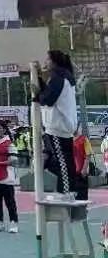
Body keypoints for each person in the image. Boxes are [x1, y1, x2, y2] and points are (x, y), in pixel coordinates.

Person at [35, 51, 77, 195]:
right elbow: (49, 93)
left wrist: (37, 97)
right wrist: (39, 80)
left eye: (47, 59)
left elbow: (49, 99)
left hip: (58, 127)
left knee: (62, 164)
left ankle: (66, 192)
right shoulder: (64, 76)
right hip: (63, 126)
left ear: (54, 61)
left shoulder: (58, 77)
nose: (45, 62)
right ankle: (67, 189)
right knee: (63, 161)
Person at [0, 120, 19, 233]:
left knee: (10, 202)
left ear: (4, 130)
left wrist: (0, 163)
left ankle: (14, 223)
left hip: (7, 177)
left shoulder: (9, 143)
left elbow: (14, 160)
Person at [73, 124, 92, 201]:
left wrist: (84, 169)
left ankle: (82, 207)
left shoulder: (84, 139)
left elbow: (88, 155)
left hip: (81, 172)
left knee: (81, 195)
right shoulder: (68, 139)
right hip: (71, 172)